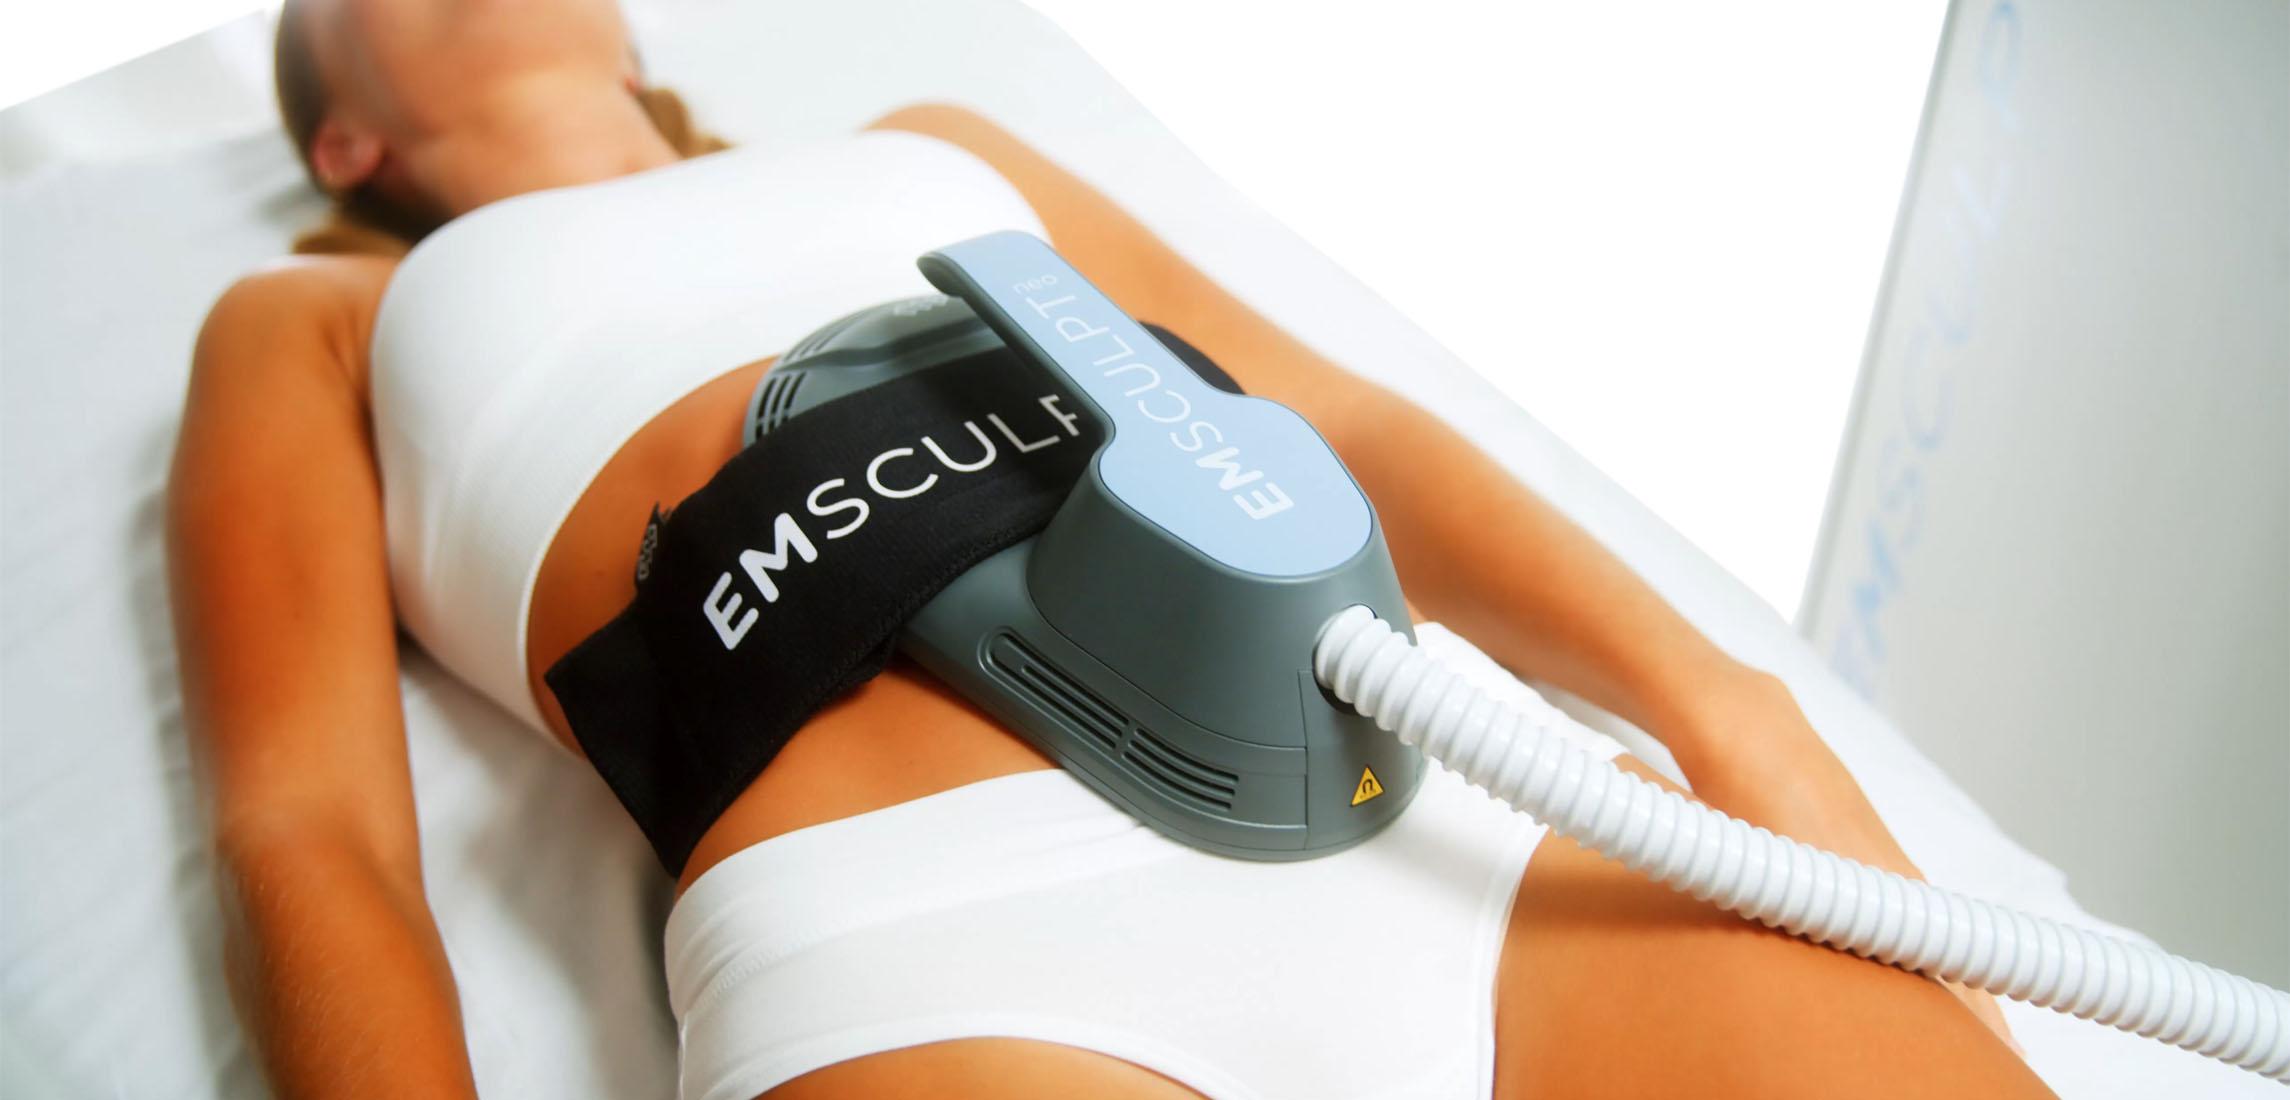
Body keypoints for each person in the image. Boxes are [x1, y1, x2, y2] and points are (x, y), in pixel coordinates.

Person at [166, 1, 2045, 1097]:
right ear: (340, 141)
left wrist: (1722, 706)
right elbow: (305, 831)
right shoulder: (318, 321)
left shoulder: (927, 143)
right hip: (936, 947)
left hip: (1445, 807)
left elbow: (1345, 419)